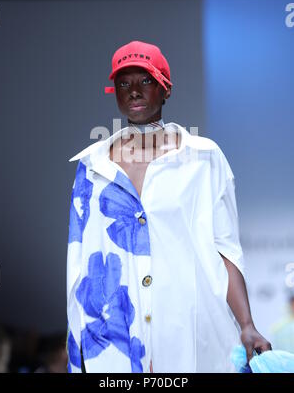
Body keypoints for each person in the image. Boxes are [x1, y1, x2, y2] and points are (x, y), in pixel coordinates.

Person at [66, 40, 271, 373]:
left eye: (145, 80)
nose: (133, 90)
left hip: (189, 326)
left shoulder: (204, 158)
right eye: (123, 83)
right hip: (116, 335)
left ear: (166, 89)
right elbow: (78, 265)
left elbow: (226, 249)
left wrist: (246, 324)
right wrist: (77, 344)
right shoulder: (92, 167)